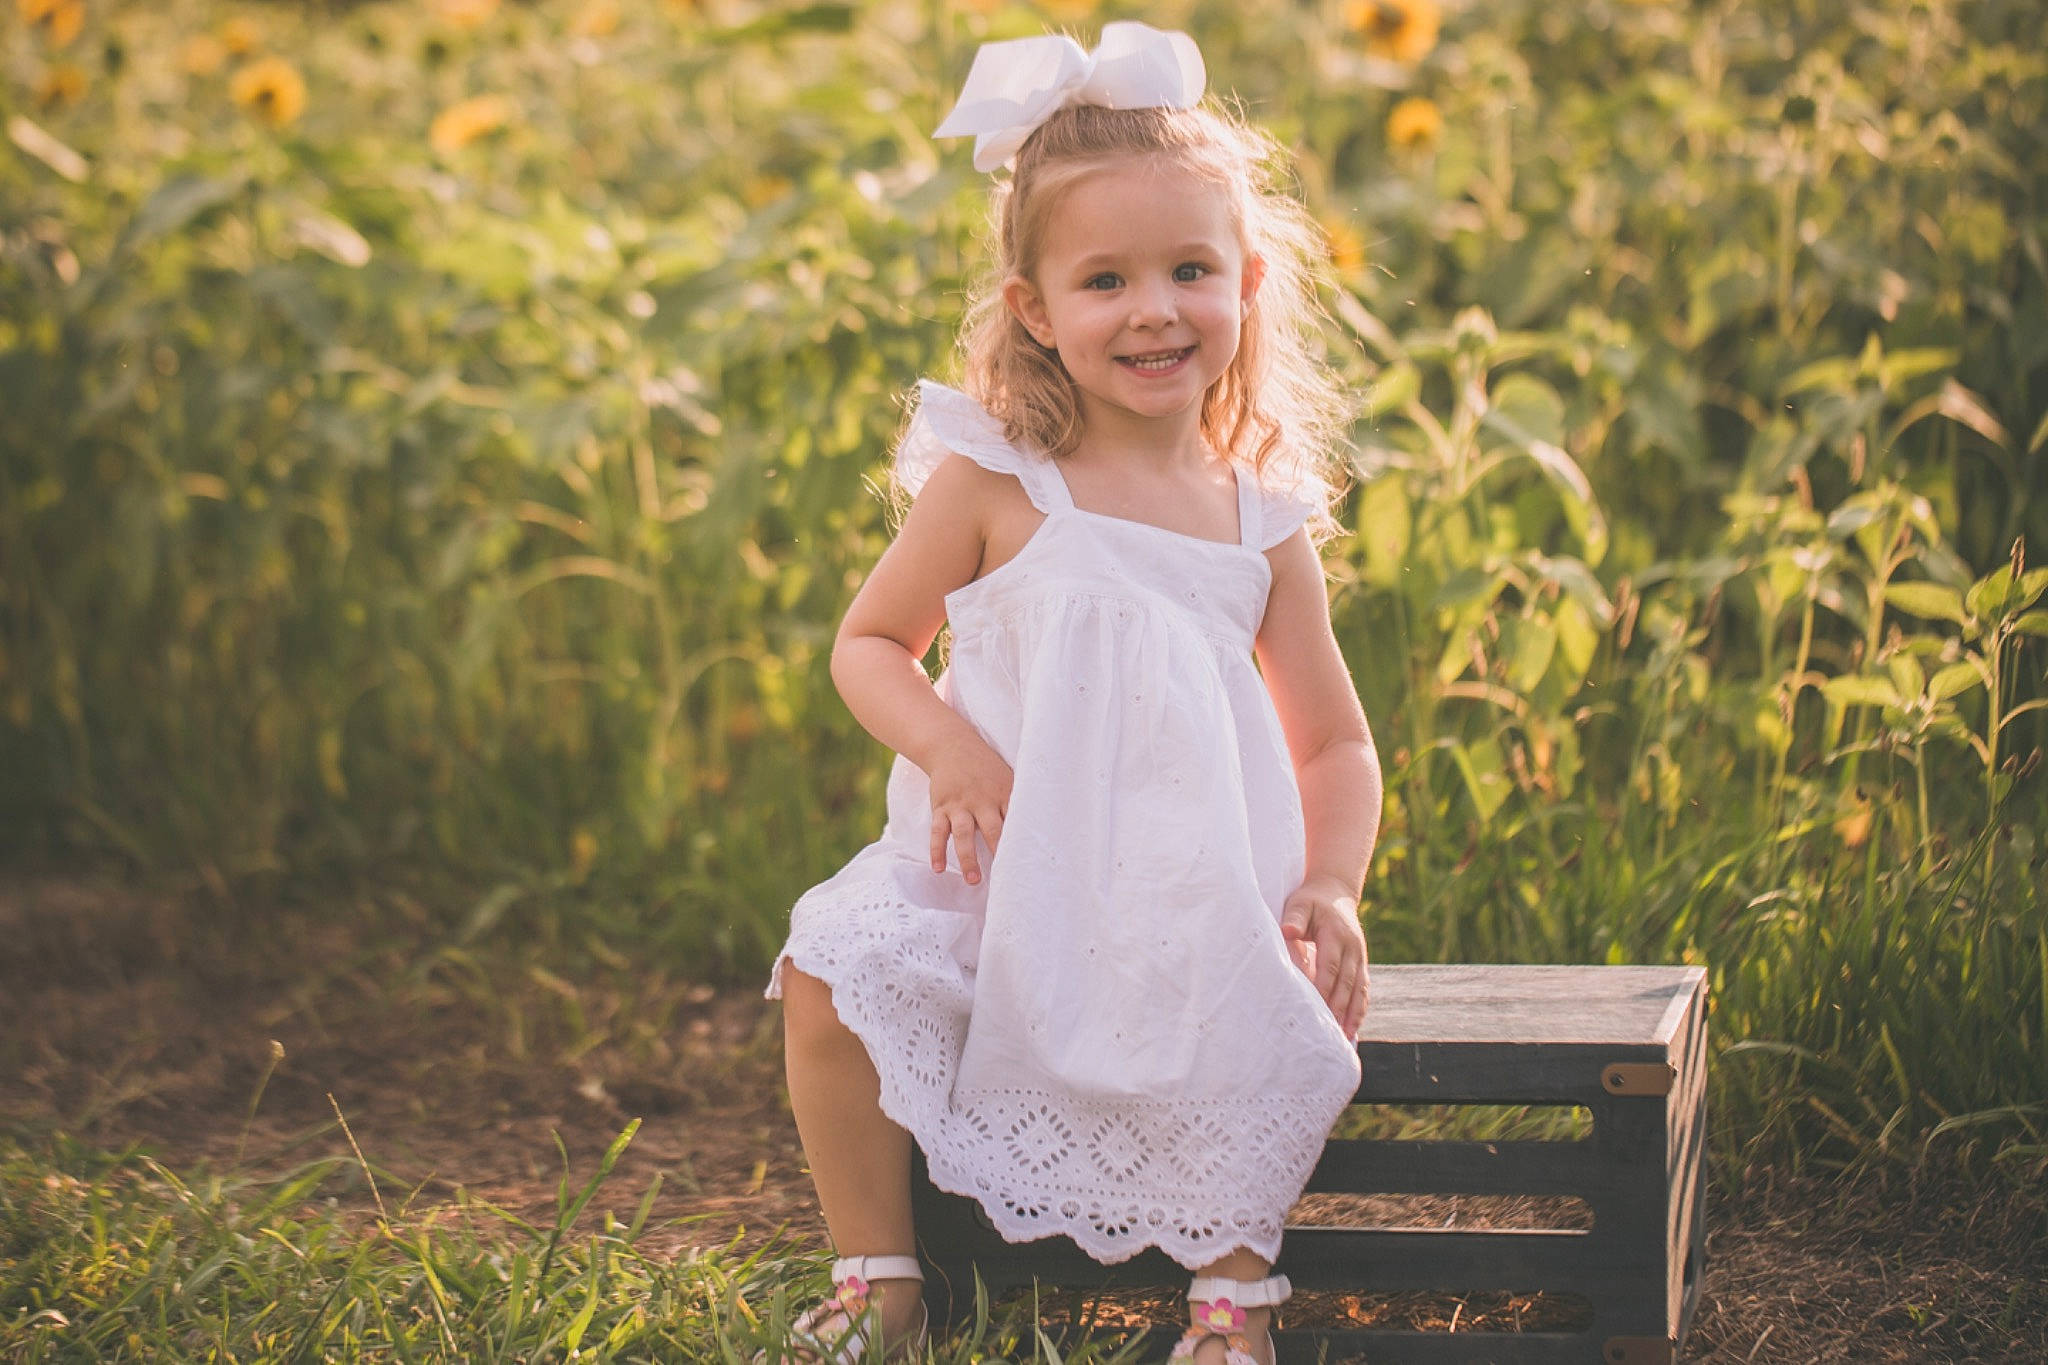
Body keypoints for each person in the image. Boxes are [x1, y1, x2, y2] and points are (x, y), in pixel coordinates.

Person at [763, 21, 1381, 1365]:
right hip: (994, 866)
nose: (1156, 308)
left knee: (1245, 1021)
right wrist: (949, 749)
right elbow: (869, 643)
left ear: (1249, 281)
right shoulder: (994, 485)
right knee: (831, 969)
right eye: (1106, 279)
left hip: (1183, 881)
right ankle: (882, 1277)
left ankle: (1230, 1302)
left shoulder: (1257, 522)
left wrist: (1327, 882)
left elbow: (1331, 737)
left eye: (1189, 270)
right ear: (1036, 309)